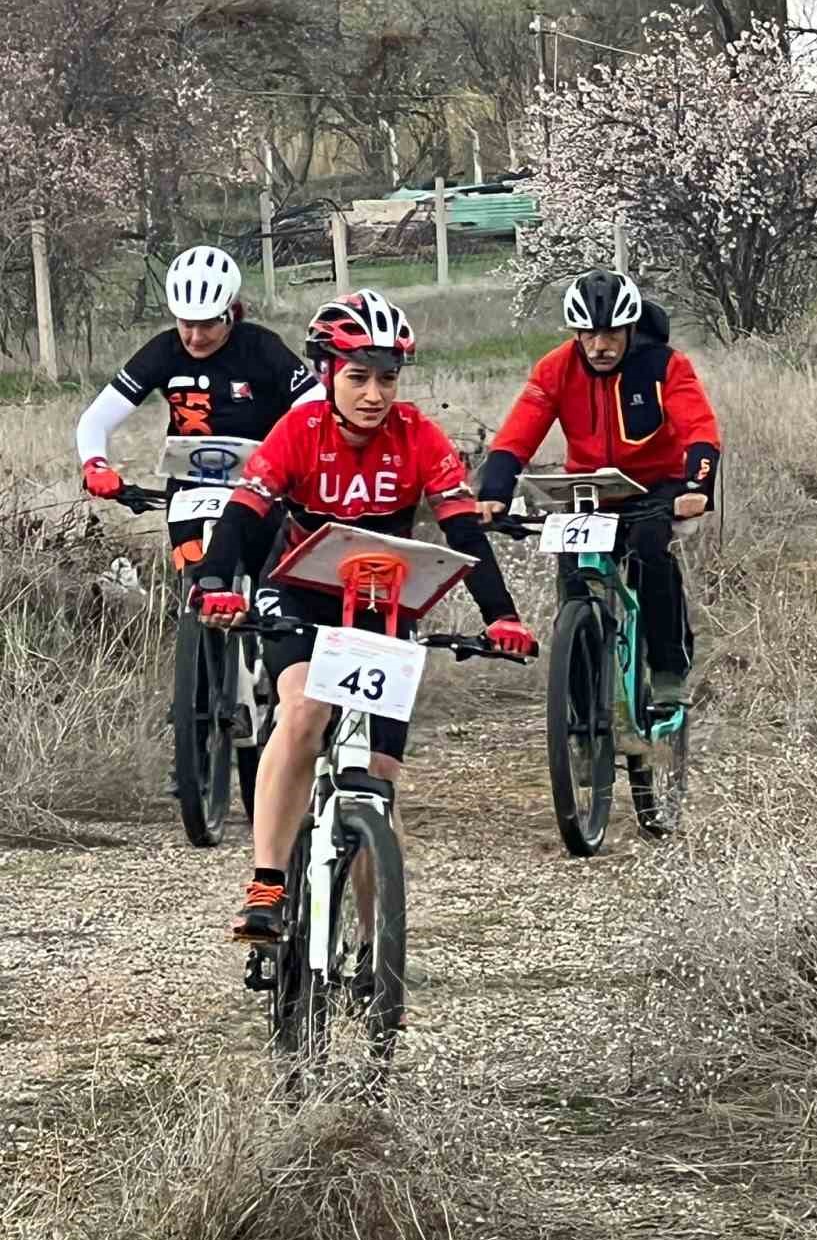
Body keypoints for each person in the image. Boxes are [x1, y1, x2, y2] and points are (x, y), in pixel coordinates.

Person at [191, 289, 536, 942]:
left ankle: (382, 956)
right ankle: (267, 881)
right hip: (297, 596)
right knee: (304, 709)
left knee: (379, 779)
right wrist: (214, 582)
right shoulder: (299, 430)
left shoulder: (419, 438)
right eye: (357, 377)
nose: (374, 393)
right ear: (327, 375)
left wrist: (502, 616)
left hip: (381, 607)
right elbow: (243, 516)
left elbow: (463, 533)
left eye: (387, 378)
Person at [477, 269, 721, 707]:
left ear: (629, 329)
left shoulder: (666, 365)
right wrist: (493, 489)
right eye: (588, 334)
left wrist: (698, 485)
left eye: (610, 333)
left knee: (651, 551)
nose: (599, 345)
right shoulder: (555, 369)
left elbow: (699, 429)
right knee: (573, 579)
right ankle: (582, 710)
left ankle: (668, 669)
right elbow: (516, 435)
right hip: (588, 489)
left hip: (655, 486)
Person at [76, 243, 324, 573]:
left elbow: (316, 402)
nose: (194, 337)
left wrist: (298, 455)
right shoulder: (164, 352)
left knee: (265, 576)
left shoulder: (261, 347)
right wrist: (95, 464)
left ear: (230, 314)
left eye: (207, 325)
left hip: (262, 475)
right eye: (185, 323)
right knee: (194, 573)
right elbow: (96, 419)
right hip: (189, 479)